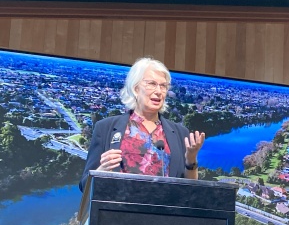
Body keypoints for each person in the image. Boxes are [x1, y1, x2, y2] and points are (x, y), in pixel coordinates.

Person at [79, 57, 205, 191]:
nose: (158, 91)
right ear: (136, 88)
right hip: (118, 210)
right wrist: (101, 171)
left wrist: (191, 160)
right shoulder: (105, 128)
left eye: (163, 86)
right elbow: (84, 185)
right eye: (151, 83)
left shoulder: (181, 133)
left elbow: (191, 190)